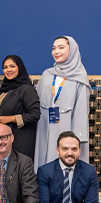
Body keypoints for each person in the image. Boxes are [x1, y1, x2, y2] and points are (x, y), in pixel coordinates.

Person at [34, 36, 90, 169]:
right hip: (44, 127)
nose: (56, 51)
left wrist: (75, 138)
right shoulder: (47, 74)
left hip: (67, 127)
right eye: (54, 48)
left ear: (72, 50)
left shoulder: (80, 77)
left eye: (61, 47)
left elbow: (81, 111)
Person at [0, 55, 40, 160]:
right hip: (3, 142)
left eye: (12, 66)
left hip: (20, 141)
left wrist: (11, 118)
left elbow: (35, 115)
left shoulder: (27, 89)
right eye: (5, 67)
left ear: (19, 67)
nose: (8, 70)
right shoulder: (3, 90)